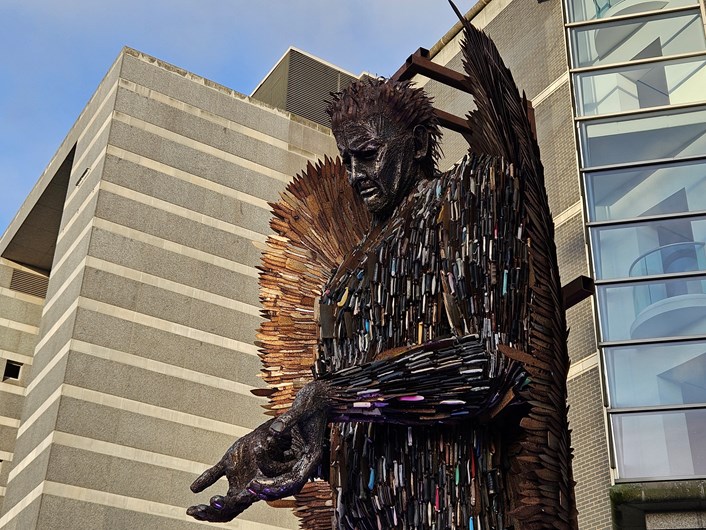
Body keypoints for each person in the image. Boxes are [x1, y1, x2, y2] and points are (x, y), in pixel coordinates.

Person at [188, 22, 576, 530]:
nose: (353, 175)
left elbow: (489, 369)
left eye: (367, 154)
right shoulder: (341, 280)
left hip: (451, 509)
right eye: (346, 159)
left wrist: (334, 398)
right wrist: (276, 446)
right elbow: (334, 420)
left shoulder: (462, 198)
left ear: (416, 144)